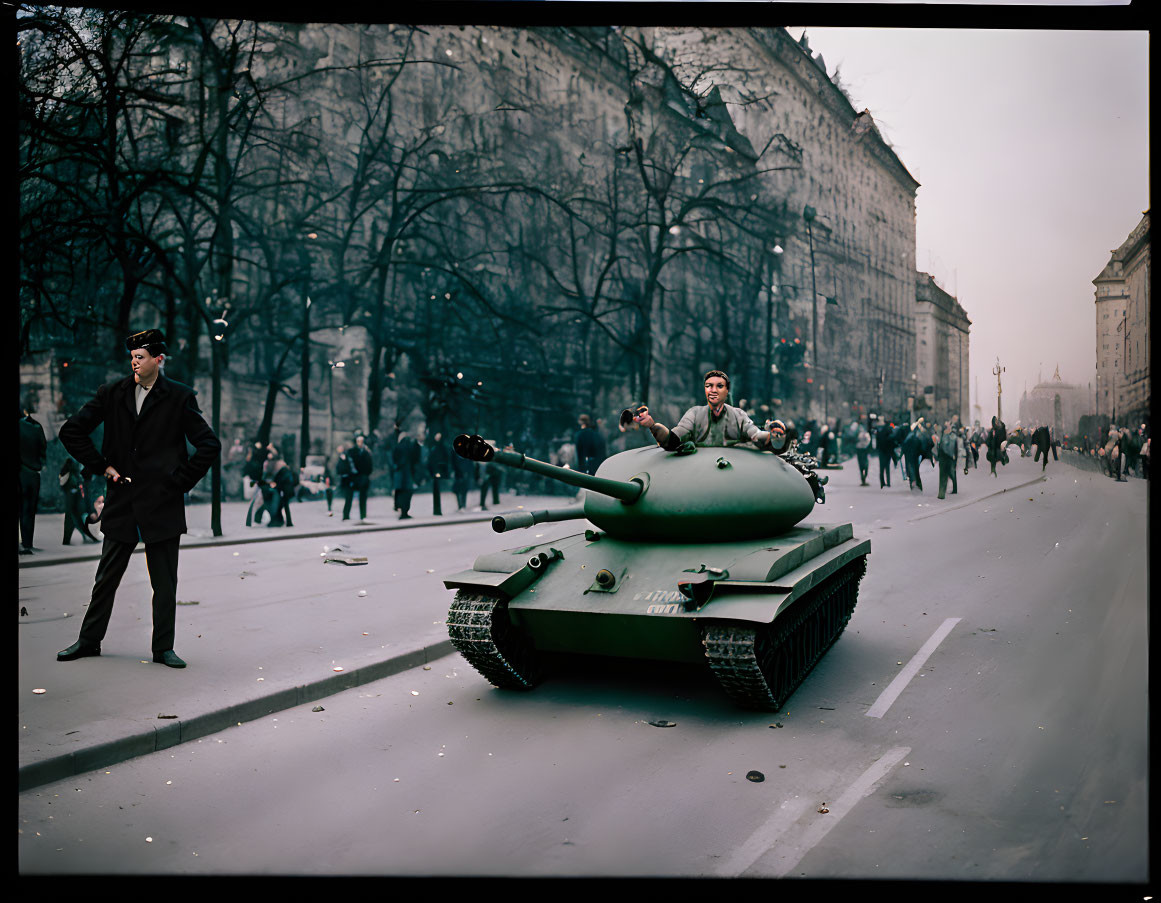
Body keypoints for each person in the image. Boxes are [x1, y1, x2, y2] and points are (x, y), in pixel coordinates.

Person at [56, 329, 220, 668]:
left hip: (162, 502)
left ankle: (163, 648)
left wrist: (178, 483)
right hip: (123, 499)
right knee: (106, 579)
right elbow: (71, 431)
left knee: (164, 583)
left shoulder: (179, 397)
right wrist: (103, 467)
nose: (134, 360)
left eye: (141, 355)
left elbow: (209, 446)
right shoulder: (112, 393)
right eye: (132, 355)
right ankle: (89, 641)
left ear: (158, 359)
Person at [629, 369, 826, 503]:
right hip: (697, 480)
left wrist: (773, 435)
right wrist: (653, 425)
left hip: (733, 481)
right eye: (709, 386)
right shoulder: (694, 414)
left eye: (719, 386)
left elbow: (755, 435)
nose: (713, 390)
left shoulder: (738, 415)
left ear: (726, 390)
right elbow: (672, 439)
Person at [19, 400, 47, 555]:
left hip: (21, 472)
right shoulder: (37, 427)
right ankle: (28, 543)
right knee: (30, 510)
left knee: (22, 509)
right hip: (34, 473)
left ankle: (23, 544)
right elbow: (43, 449)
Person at [60, 457, 99, 545]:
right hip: (74, 491)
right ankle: (88, 536)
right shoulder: (72, 462)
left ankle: (68, 540)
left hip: (77, 491)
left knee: (74, 516)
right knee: (73, 516)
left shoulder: (83, 465)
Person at [343, 434, 374, 521]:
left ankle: (363, 515)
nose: (360, 443)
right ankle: (346, 515)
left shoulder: (366, 452)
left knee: (362, 498)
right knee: (349, 498)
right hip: (352, 477)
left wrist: (366, 474)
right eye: (359, 441)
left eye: (362, 441)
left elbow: (370, 466)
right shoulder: (352, 452)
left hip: (362, 477)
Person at [391, 431, 421, 519]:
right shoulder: (410, 447)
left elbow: (393, 459)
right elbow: (416, 458)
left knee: (400, 492)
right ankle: (405, 511)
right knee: (407, 493)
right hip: (407, 473)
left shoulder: (397, 447)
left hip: (399, 473)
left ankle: (399, 508)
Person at [265, 453, 295, 527]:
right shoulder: (284, 469)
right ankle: (286, 522)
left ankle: (284, 522)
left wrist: (278, 486)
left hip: (284, 491)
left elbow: (281, 481)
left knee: (281, 506)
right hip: (286, 490)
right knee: (283, 506)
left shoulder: (281, 470)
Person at [426, 432, 450, 516]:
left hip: (438, 471)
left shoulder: (438, 448)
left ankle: (437, 510)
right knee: (436, 490)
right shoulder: (436, 448)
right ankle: (437, 510)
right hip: (436, 471)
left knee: (437, 490)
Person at [901, 421, 925, 492]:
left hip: (909, 456)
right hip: (915, 456)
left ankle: (913, 484)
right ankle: (919, 485)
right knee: (916, 470)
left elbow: (904, 447)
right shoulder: (917, 437)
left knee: (911, 470)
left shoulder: (908, 438)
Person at [875, 420, 896, 488]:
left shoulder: (880, 431)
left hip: (881, 451)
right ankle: (888, 482)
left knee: (881, 468)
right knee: (887, 467)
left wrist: (877, 448)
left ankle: (882, 483)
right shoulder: (890, 430)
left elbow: (877, 440)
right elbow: (892, 441)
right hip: (888, 451)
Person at [854, 421, 871, 486]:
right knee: (864, 464)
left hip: (860, 449)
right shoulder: (865, 434)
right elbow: (868, 441)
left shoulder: (858, 434)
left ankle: (863, 478)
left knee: (861, 464)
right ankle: (864, 477)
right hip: (863, 449)